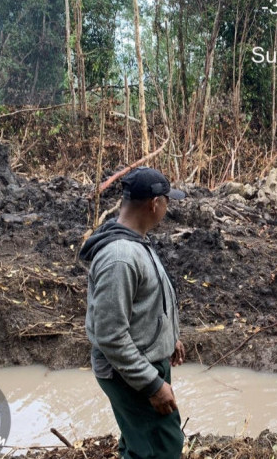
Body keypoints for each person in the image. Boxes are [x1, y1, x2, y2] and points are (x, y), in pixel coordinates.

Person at [80, 167, 186, 459]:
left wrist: (170, 337)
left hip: (142, 362)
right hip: (131, 371)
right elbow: (111, 335)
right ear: (154, 204)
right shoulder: (120, 258)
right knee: (161, 448)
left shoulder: (134, 241)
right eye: (167, 200)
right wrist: (152, 385)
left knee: (141, 440)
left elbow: (147, 300)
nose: (167, 207)